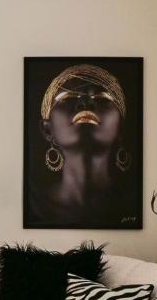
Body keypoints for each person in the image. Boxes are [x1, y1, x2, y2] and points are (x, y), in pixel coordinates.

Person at [27, 63, 137, 228]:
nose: (85, 105)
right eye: (68, 98)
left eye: (102, 99)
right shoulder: (35, 205)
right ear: (47, 129)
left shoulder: (131, 204)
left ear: (121, 128)